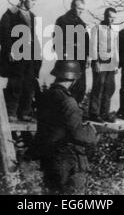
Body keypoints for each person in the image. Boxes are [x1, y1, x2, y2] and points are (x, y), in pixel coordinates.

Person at [36, 60, 98, 194]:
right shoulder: (68, 101)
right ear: (74, 80)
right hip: (67, 160)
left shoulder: (45, 96)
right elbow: (78, 135)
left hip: (49, 157)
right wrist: (91, 131)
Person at [0, 0, 42, 122]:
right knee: (15, 84)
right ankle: (11, 112)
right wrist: (10, 49)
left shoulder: (33, 16)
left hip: (30, 55)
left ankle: (24, 112)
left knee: (29, 84)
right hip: (16, 54)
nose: (34, 3)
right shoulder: (10, 14)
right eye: (32, 0)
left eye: (36, 0)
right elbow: (3, 35)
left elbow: (35, 37)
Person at [54, 0, 90, 104]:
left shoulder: (81, 23)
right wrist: (63, 53)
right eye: (79, 8)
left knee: (80, 86)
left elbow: (86, 41)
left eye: (82, 10)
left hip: (81, 59)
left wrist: (87, 56)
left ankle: (75, 111)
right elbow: (57, 39)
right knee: (64, 86)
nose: (81, 11)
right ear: (72, 7)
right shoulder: (62, 20)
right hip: (68, 59)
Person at [88, 8, 119, 123]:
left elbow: (115, 48)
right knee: (98, 86)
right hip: (100, 61)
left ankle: (105, 113)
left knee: (109, 87)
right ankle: (94, 113)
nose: (112, 20)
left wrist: (116, 63)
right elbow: (93, 46)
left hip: (111, 63)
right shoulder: (97, 28)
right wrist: (95, 61)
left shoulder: (114, 30)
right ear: (105, 16)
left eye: (114, 18)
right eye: (110, 17)